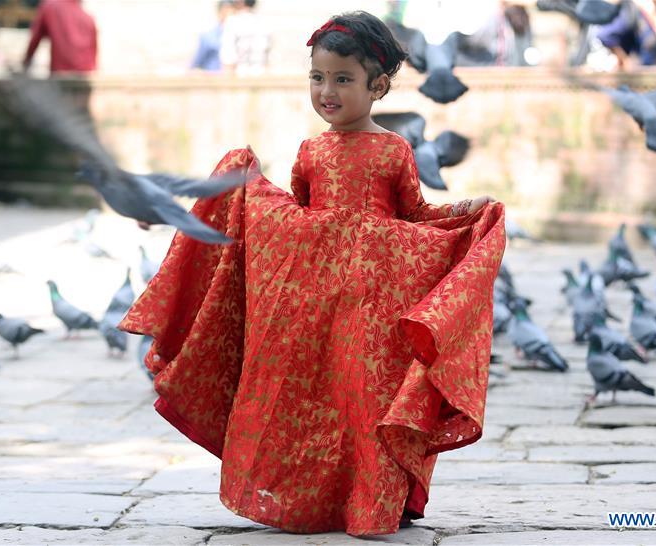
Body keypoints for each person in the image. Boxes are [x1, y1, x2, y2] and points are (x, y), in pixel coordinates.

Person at [119, 11, 505, 536]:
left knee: (366, 392)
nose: (327, 91)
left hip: (373, 298)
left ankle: (374, 500)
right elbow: (297, 218)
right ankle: (310, 498)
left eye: (343, 79)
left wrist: (466, 213)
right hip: (315, 296)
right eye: (317, 78)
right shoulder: (311, 150)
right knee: (314, 396)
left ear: (379, 86)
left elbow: (413, 216)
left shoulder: (394, 150)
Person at [23, 0, 97, 74]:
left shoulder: (50, 5)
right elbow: (94, 52)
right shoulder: (88, 18)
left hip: (61, 73)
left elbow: (35, 39)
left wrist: (26, 62)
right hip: (86, 75)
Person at [219, 0, 270, 74]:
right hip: (260, 76)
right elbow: (268, 61)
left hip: (239, 77)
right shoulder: (264, 22)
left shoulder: (232, 22)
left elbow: (228, 59)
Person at [190, 0, 234, 72]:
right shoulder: (208, 37)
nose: (229, 15)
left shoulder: (241, 37)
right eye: (226, 11)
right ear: (219, 12)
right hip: (212, 79)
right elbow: (195, 64)